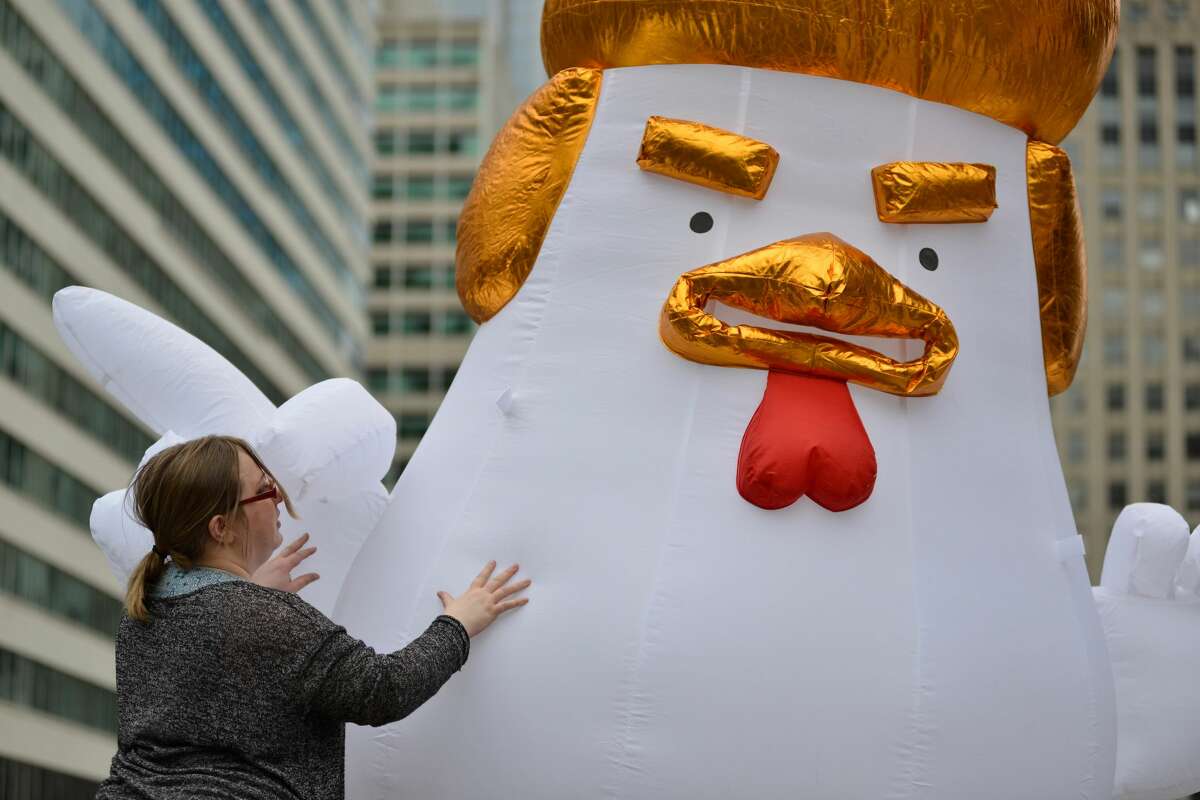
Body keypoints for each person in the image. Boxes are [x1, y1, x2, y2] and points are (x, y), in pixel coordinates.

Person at [95, 435, 530, 799]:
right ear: (220, 528)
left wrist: (248, 594)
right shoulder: (269, 620)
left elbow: (209, 678)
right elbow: (383, 689)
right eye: (264, 489)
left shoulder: (144, 614)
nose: (278, 496)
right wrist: (459, 623)